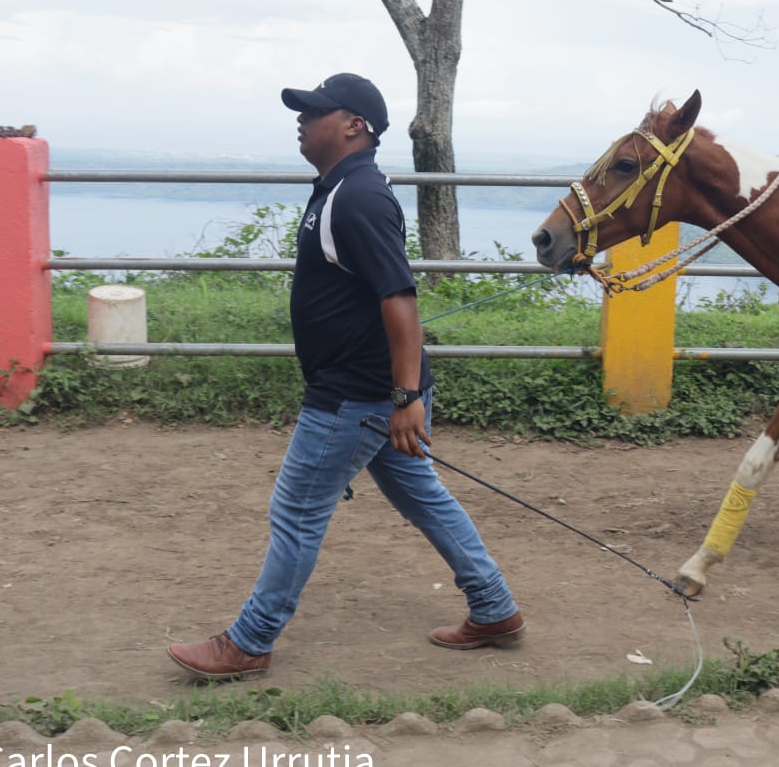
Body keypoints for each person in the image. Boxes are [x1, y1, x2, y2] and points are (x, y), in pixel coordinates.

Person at [168, 72, 524, 681]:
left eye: (315, 112)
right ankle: (493, 606)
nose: (302, 121)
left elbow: (400, 299)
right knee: (420, 494)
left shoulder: (357, 196)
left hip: (357, 395)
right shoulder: (339, 188)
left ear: (353, 126)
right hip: (373, 389)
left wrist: (405, 397)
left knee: (297, 510)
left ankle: (250, 640)